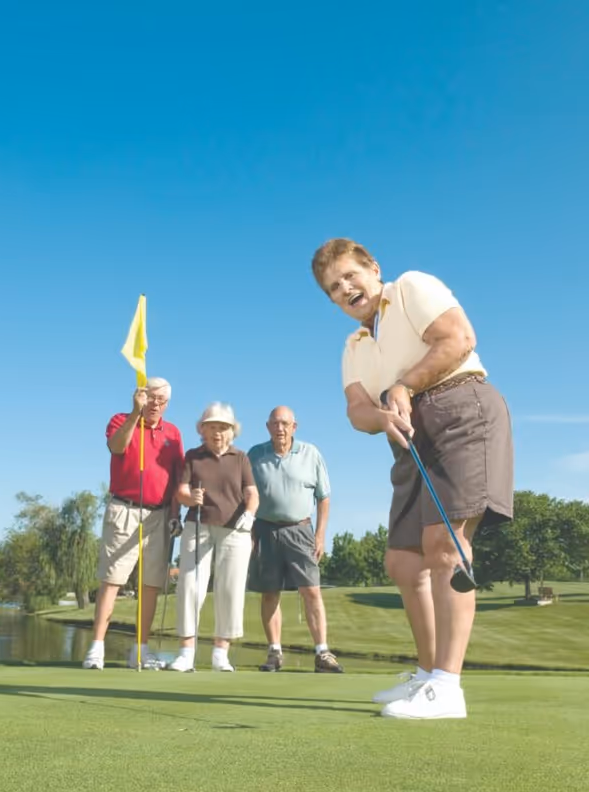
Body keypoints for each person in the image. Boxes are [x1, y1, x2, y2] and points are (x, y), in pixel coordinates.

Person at [311, 238, 513, 718]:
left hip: (461, 408)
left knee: (446, 545)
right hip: (405, 432)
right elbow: (357, 408)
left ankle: (448, 685)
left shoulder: (410, 288)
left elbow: (459, 338)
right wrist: (381, 417)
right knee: (403, 561)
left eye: (350, 276)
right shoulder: (354, 344)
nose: (345, 289)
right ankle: (426, 676)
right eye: (334, 288)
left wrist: (403, 385)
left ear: (372, 268)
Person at [82, 378, 184, 670]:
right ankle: (97, 648)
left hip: (161, 514)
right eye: (151, 397)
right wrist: (134, 414)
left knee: (151, 585)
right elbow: (116, 447)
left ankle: (139, 650)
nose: (155, 404)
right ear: (140, 396)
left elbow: (177, 479)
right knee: (112, 580)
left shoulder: (173, 433)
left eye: (161, 400)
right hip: (124, 509)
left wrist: (176, 514)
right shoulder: (120, 420)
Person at [248, 406, 343, 674]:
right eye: (275, 423)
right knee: (269, 592)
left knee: (311, 590)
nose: (280, 428)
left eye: (285, 423)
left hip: (301, 530)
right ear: (267, 427)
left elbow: (323, 497)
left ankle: (322, 652)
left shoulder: (310, 453)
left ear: (294, 427)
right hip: (265, 530)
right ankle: (274, 652)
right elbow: (245, 494)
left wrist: (320, 534)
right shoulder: (256, 455)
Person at [169, 403, 259, 672]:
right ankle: (186, 652)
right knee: (189, 585)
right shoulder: (193, 456)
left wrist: (250, 514)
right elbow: (180, 490)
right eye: (211, 427)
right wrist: (188, 497)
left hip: (235, 529)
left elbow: (252, 493)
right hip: (198, 526)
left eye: (222, 428)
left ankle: (221, 652)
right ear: (202, 430)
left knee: (230, 588)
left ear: (232, 432)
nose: (217, 433)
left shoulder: (241, 458)